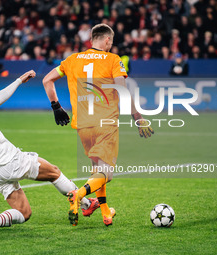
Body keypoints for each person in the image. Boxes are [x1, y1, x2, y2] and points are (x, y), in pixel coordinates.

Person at [0, 70, 99, 234]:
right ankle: (86, 205)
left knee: (24, 213)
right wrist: (19, 81)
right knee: (54, 172)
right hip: (10, 160)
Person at [42, 24, 154, 227]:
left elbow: (47, 80)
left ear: (91, 39)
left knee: (98, 172)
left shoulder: (72, 60)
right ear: (107, 40)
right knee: (106, 174)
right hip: (106, 123)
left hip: (84, 126)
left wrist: (56, 107)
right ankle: (78, 194)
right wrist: (137, 116)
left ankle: (105, 213)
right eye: (111, 42)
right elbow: (122, 90)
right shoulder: (113, 59)